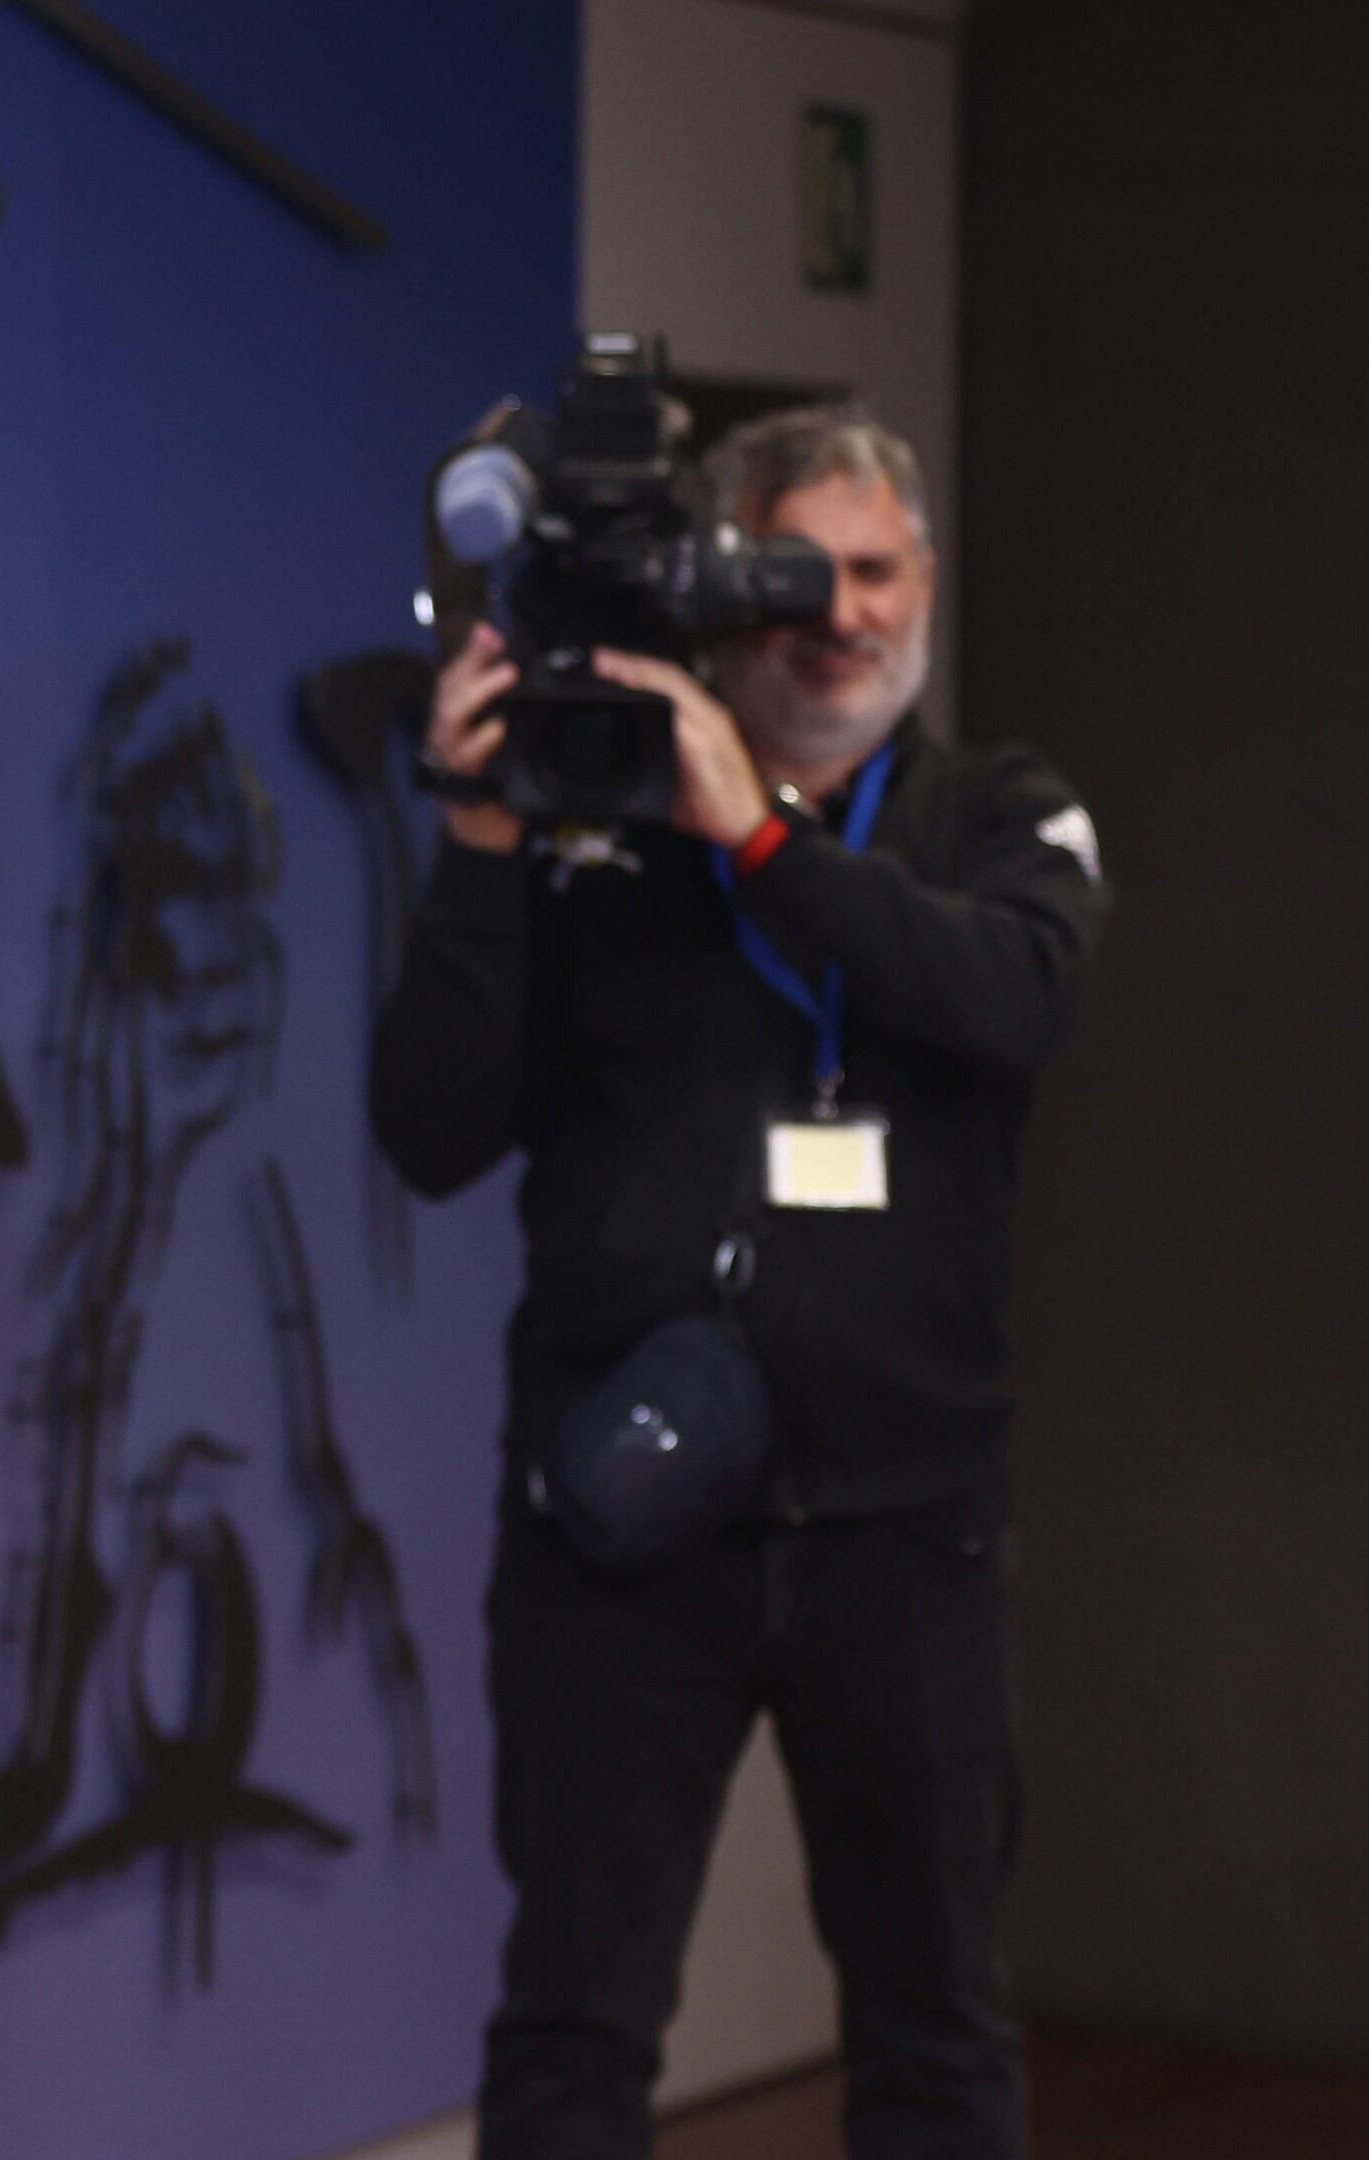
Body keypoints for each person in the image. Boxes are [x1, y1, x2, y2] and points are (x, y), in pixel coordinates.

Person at [372, 405, 1107, 2159]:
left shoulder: (995, 811)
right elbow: (430, 1129)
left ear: (926, 579)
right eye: (793, 574)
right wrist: (480, 841)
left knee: (936, 2032)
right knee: (573, 2031)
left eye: (871, 570)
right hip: (622, 1540)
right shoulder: (592, 824)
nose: (838, 615)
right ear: (716, 593)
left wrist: (764, 843)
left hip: (908, 1540)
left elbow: (1018, 996)